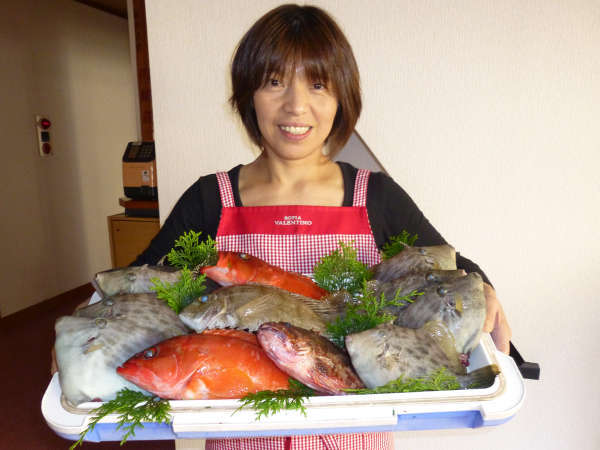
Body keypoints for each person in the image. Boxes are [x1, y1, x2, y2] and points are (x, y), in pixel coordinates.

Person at [51, 4, 510, 448]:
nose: (296, 106)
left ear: (342, 97)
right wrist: (83, 335)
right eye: (274, 82)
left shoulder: (377, 197)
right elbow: (139, 283)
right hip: (240, 437)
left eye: (317, 85)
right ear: (248, 94)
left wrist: (482, 287)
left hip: (352, 435)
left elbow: (446, 267)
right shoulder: (211, 199)